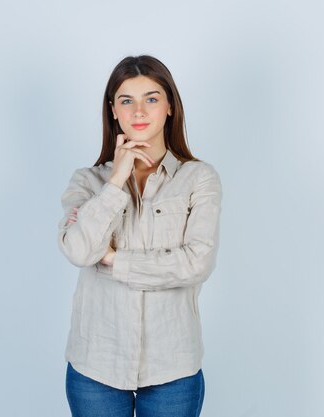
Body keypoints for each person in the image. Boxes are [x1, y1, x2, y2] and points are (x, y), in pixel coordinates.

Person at [57, 54, 222, 417]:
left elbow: (196, 263)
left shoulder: (199, 179)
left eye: (151, 98)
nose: (138, 111)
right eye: (126, 100)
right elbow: (80, 251)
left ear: (169, 108)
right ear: (113, 110)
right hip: (95, 365)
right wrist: (116, 181)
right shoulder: (87, 182)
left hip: (172, 366)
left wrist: (115, 259)